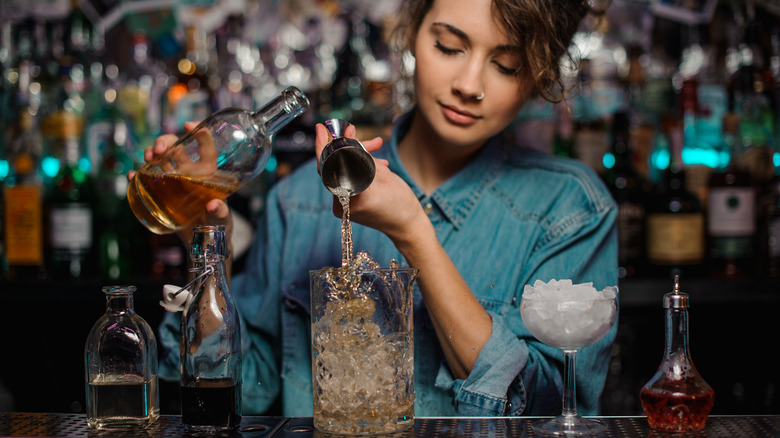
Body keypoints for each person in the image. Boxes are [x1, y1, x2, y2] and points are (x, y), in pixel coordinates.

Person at [138, 0, 618, 417]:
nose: (469, 84)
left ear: (539, 74)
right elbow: (250, 385)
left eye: (507, 65)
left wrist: (414, 233)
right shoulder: (300, 200)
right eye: (449, 47)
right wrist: (204, 246)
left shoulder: (572, 209)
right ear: (411, 34)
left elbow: (548, 411)